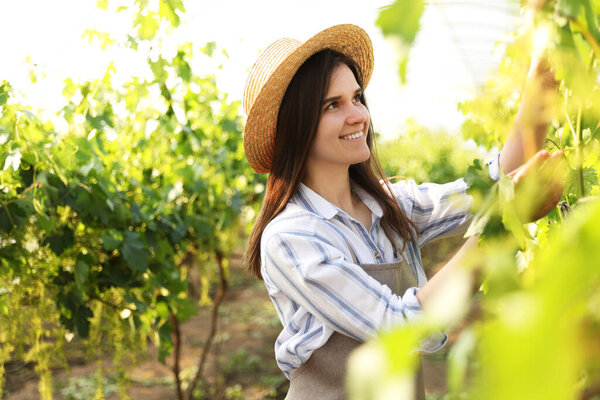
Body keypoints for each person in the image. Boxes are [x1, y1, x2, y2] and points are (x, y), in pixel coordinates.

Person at [241, 24, 562, 399]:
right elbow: (399, 326)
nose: (358, 115)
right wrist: (499, 227)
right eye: (333, 105)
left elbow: (499, 180)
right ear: (296, 127)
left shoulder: (391, 206)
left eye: (357, 98)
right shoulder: (291, 238)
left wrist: (543, 84)